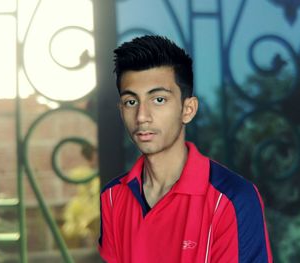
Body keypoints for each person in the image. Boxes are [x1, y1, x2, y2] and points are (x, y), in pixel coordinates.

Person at [98, 35, 273, 263]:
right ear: (121, 109)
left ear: (187, 109)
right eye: (131, 102)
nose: (142, 116)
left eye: (158, 99)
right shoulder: (112, 197)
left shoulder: (233, 199)